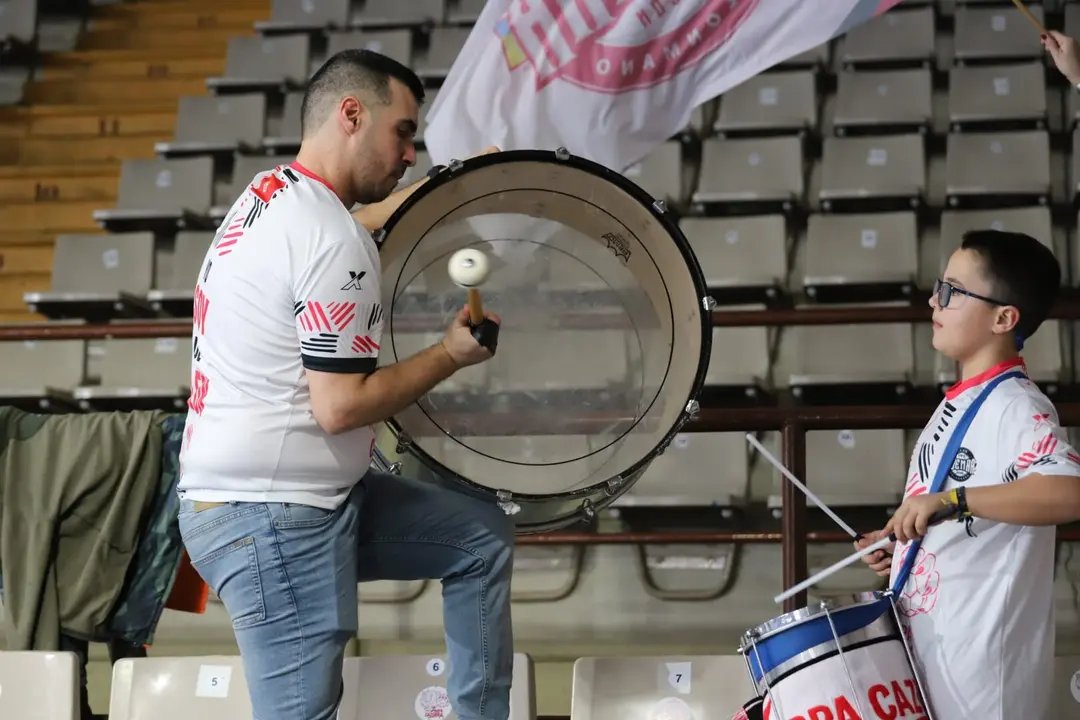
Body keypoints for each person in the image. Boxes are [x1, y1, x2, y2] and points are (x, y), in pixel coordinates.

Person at [176, 49, 514, 720]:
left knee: (480, 539)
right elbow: (341, 407)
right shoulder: (330, 238)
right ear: (352, 114)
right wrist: (449, 354)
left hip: (281, 498)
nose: (411, 153)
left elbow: (352, 225)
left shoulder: (272, 194)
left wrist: (444, 189)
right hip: (275, 519)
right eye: (404, 132)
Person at [854, 230, 1080, 719]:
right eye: (941, 286)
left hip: (981, 681)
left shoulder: (1015, 405)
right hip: (937, 664)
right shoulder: (961, 402)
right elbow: (963, 515)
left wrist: (950, 501)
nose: (934, 300)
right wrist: (904, 545)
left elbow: (1069, 491)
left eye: (953, 291)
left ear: (1003, 318)